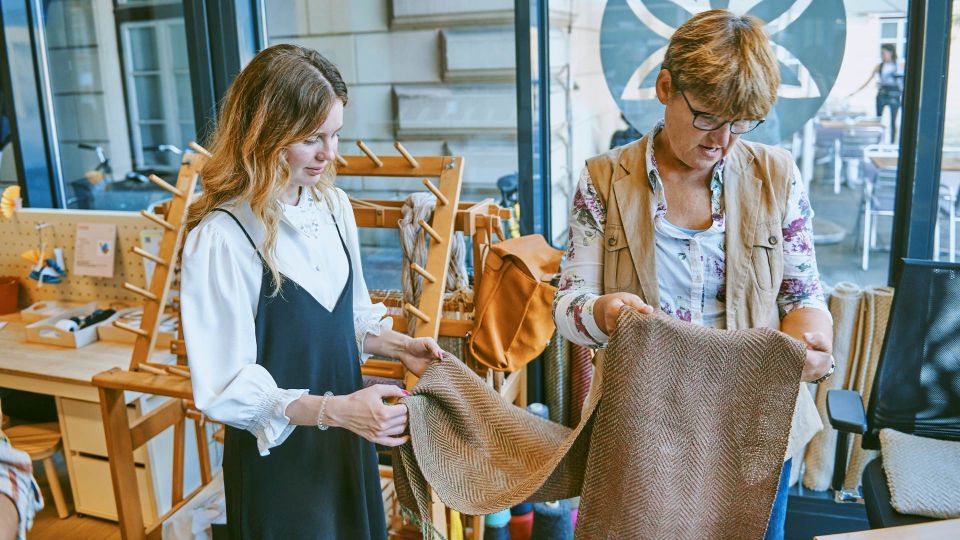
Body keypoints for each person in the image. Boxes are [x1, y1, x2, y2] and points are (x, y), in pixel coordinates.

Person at [552, 10, 833, 540]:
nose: (722, 140)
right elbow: (569, 306)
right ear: (665, 87)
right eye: (706, 116)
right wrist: (604, 313)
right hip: (645, 431)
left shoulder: (777, 176)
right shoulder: (604, 181)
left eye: (740, 122)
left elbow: (803, 292)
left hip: (755, 430)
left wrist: (812, 344)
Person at [180, 44, 443, 539]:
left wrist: (399, 346)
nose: (330, 153)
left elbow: (346, 317)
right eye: (311, 138)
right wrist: (334, 410)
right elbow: (226, 385)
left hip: (346, 443)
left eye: (335, 134)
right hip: (278, 461)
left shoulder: (333, 207)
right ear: (263, 134)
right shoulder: (221, 239)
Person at [850, 44, 904, 143]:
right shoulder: (879, 66)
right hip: (882, 95)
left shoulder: (899, 65)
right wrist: (854, 93)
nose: (882, 55)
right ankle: (877, 142)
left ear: (890, 52)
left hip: (894, 96)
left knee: (893, 121)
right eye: (881, 53)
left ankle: (892, 143)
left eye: (884, 53)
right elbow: (867, 81)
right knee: (878, 120)